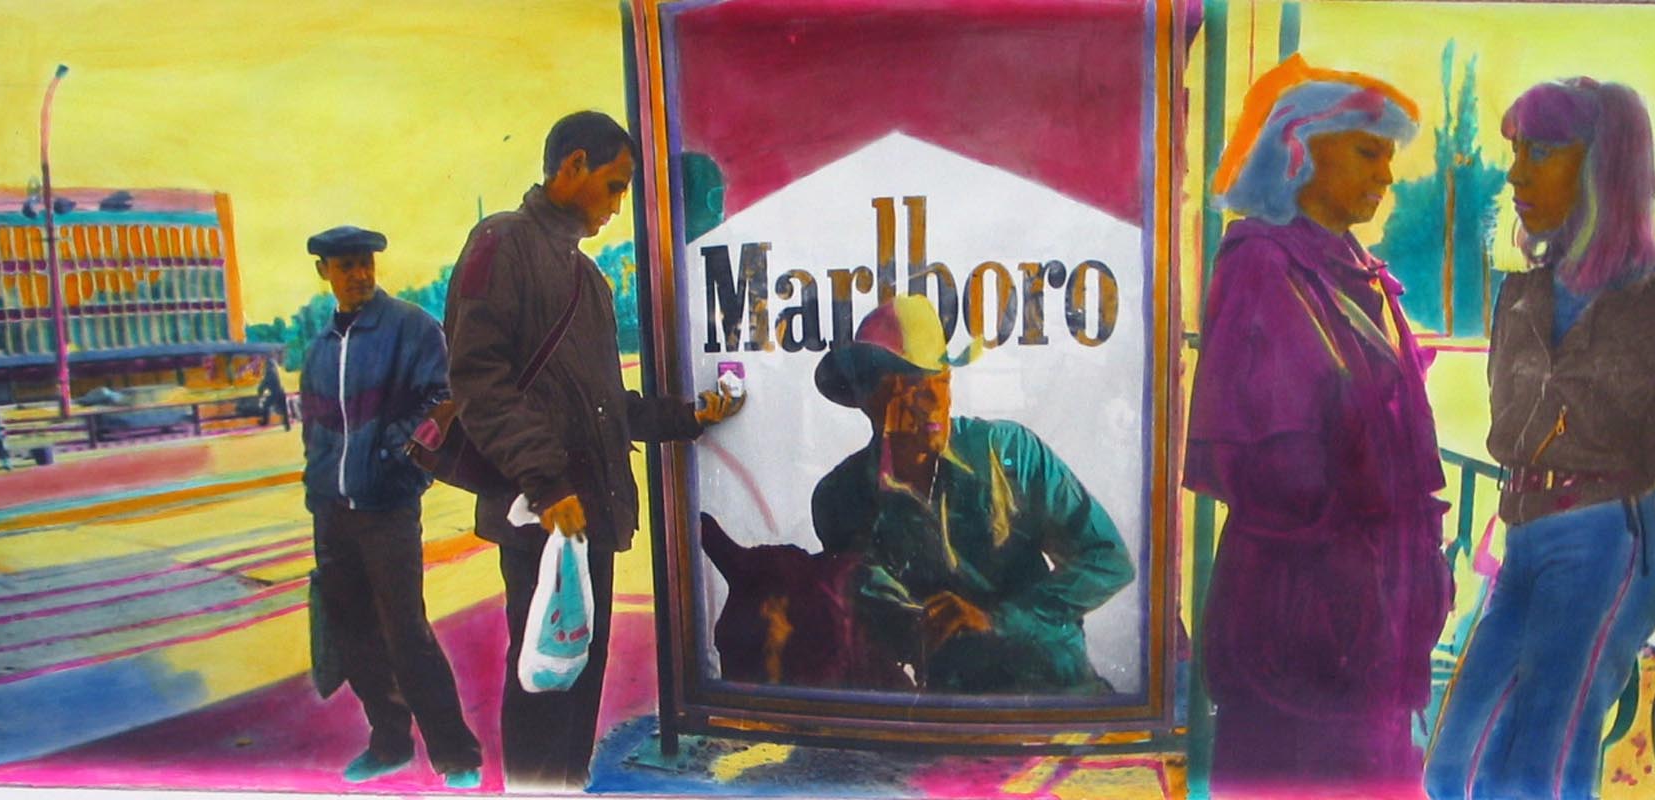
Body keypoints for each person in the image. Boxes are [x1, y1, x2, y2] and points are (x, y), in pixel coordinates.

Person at [1424, 77, 1655, 800]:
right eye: (1516, 150)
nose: (1516, 174)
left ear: (1602, 168)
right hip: (1521, 542)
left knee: (1542, 767)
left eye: (1541, 152)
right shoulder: (1522, 295)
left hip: (1602, 547)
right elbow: (1514, 436)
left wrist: (1635, 540)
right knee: (1452, 764)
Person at [443, 110, 743, 790]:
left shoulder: (590, 280)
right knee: (544, 679)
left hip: (589, 516)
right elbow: (479, 380)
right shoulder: (501, 243)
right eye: (614, 185)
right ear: (572, 165)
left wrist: (687, 417)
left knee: (578, 677)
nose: (617, 203)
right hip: (542, 514)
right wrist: (547, 484)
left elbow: (609, 406)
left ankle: (567, 782)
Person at [1182, 55, 1452, 789]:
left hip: (1372, 619)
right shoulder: (1261, 263)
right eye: (1367, 151)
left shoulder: (1360, 271)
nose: (1386, 176)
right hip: (1301, 616)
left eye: (1389, 157)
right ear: (1298, 149)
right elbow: (1277, 467)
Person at [810, 294, 1134, 694]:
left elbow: (1107, 559)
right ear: (869, 399)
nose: (935, 401)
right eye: (912, 386)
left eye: (941, 381)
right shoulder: (840, 499)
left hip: (1053, 693)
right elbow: (876, 611)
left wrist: (999, 621)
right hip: (944, 705)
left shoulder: (1010, 452)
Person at [297, 225, 483, 789]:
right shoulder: (320, 347)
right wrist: (317, 487)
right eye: (346, 266)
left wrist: (395, 456)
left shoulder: (410, 328)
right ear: (324, 272)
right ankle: (389, 743)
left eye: (365, 263)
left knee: (406, 634)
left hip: (388, 508)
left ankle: (457, 755)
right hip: (333, 513)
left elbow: (444, 400)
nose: (359, 274)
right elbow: (314, 428)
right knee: (355, 634)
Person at [258, 357, 290, 431]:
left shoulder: (269, 372)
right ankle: (287, 425)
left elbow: (264, 383)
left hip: (274, 393)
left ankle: (265, 422)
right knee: (284, 410)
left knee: (266, 405)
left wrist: (260, 391)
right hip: (281, 391)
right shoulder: (276, 372)